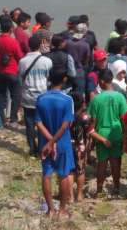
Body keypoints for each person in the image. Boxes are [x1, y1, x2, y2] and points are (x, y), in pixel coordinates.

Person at [35, 69, 75, 218]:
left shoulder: (41, 98)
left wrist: (49, 142)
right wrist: (54, 142)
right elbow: (65, 125)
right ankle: (62, 210)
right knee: (64, 175)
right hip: (62, 142)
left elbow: (38, 122)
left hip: (45, 143)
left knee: (47, 174)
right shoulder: (67, 100)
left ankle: (50, 210)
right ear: (64, 79)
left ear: (49, 78)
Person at [89, 68, 127, 196]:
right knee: (116, 162)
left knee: (102, 163)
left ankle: (99, 190)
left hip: (101, 134)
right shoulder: (120, 97)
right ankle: (116, 188)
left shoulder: (96, 99)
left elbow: (92, 122)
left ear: (101, 81)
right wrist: (125, 139)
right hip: (116, 132)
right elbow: (124, 120)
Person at [19, 34, 53, 156]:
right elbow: (49, 78)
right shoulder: (47, 61)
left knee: (29, 124)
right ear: (40, 45)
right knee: (42, 124)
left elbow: (21, 77)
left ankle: (32, 148)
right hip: (42, 97)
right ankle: (42, 148)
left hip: (27, 96)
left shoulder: (22, 61)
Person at [0, 15, 25, 128]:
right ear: (11, 29)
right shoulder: (13, 41)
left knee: (1, 96)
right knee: (16, 95)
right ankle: (13, 119)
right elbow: (20, 56)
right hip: (12, 71)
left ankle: (2, 119)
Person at [70, 93, 93, 202]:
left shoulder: (67, 116)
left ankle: (70, 196)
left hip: (68, 145)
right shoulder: (85, 117)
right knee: (81, 171)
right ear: (83, 103)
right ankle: (79, 195)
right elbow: (90, 133)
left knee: (69, 172)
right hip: (81, 147)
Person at [66, 23, 91, 96]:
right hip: (79, 72)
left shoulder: (68, 42)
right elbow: (86, 60)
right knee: (79, 96)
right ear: (85, 33)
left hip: (68, 71)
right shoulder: (86, 45)